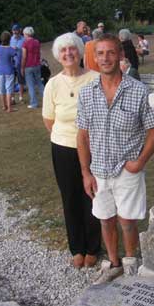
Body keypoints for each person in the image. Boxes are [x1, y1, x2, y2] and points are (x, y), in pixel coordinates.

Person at [76, 33, 154, 283]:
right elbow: (82, 136)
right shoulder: (87, 93)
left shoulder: (138, 91)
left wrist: (140, 162)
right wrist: (85, 172)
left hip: (127, 170)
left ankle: (131, 262)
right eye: (100, 53)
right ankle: (113, 264)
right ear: (94, 57)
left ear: (121, 55)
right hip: (98, 170)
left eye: (111, 52)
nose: (105, 58)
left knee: (127, 221)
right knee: (105, 219)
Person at [42, 33, 101, 268]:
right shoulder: (53, 84)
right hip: (63, 148)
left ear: (79, 51)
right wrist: (67, 137)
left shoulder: (95, 78)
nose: (68, 53)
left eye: (72, 49)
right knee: (70, 198)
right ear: (58, 55)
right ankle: (77, 247)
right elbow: (49, 120)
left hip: (93, 147)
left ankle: (93, 247)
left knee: (93, 196)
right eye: (63, 50)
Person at [21, 26, 44, 108]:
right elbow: (39, 53)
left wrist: (22, 67)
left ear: (26, 34)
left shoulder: (25, 43)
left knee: (30, 85)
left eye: (24, 34)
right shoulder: (37, 42)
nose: (23, 35)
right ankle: (46, 101)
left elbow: (24, 56)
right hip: (37, 65)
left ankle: (34, 103)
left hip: (28, 66)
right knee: (40, 83)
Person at [0, 31, 17, 112]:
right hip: (9, 70)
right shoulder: (11, 50)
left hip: (0, 70)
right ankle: (9, 108)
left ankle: (4, 106)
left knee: (1, 90)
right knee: (9, 89)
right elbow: (15, 55)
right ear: (9, 39)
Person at [10, 24, 25, 102]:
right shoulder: (11, 39)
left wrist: (18, 49)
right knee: (12, 80)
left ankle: (21, 97)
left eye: (16, 30)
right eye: (13, 30)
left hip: (20, 63)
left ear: (19, 30)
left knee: (21, 80)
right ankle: (12, 98)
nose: (14, 32)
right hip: (12, 63)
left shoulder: (24, 39)